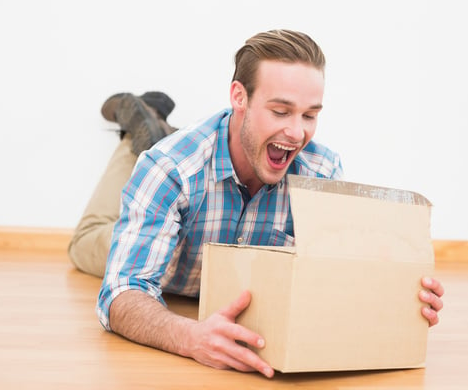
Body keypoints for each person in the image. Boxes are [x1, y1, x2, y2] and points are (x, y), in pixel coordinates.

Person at [68, 29, 444, 379]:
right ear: (239, 97)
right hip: (171, 260)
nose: (297, 133)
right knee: (87, 241)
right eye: (281, 112)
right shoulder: (168, 168)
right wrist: (189, 336)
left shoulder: (321, 168)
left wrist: (395, 299)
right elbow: (121, 292)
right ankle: (138, 132)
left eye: (310, 115)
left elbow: (329, 273)